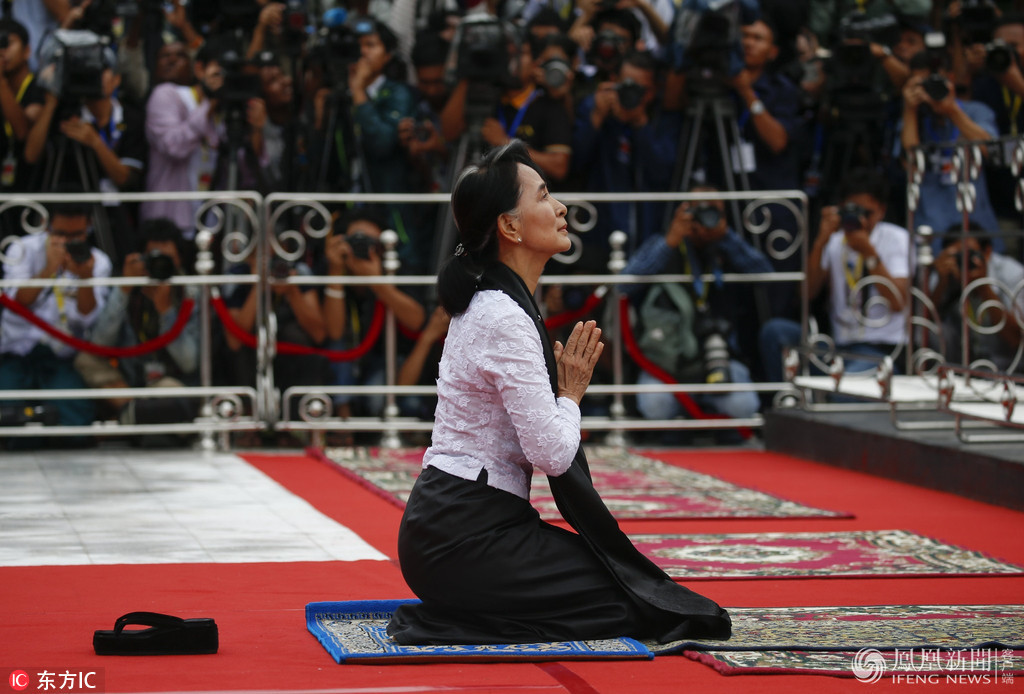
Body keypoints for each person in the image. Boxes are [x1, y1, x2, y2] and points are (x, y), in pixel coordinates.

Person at [387, 140, 730, 646]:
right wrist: (570, 394)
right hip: (462, 537)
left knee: (633, 589)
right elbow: (549, 451)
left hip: (459, 529)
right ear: (510, 226)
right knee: (633, 602)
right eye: (545, 196)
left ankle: (467, 614)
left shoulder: (496, 300)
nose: (561, 207)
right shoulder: (502, 315)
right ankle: (457, 619)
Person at [620, 191, 771, 422]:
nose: (705, 217)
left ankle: (703, 415)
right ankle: (688, 416)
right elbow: (623, 285)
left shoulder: (727, 246)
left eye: (713, 210)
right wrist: (671, 240)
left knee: (744, 406)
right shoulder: (666, 243)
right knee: (655, 406)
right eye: (698, 209)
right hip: (668, 359)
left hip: (720, 358)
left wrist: (727, 237)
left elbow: (767, 276)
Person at [0, 199, 113, 443]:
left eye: (77, 235)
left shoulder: (98, 262)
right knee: (7, 420)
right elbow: (16, 303)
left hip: (60, 357)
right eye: (60, 234)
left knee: (76, 426)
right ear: (46, 225)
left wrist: (85, 279)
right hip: (17, 353)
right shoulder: (22, 249)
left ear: (89, 227)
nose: (68, 242)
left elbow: (88, 318)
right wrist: (48, 270)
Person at [73, 217, 201, 428]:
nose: (160, 265)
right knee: (85, 359)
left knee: (167, 389)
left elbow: (189, 362)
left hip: (172, 383)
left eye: (166, 259)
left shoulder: (191, 293)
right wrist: (124, 289)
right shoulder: (130, 289)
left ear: (179, 260)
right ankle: (136, 412)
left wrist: (166, 311)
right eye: (153, 258)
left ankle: (131, 417)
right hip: (130, 384)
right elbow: (99, 343)